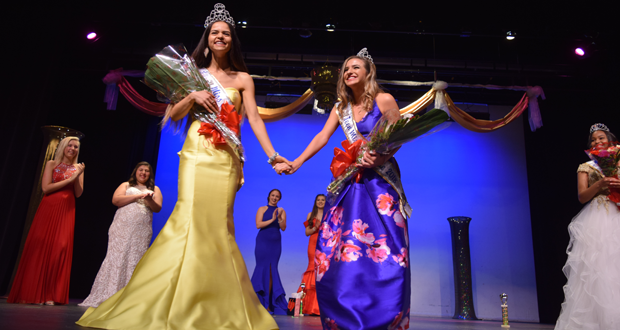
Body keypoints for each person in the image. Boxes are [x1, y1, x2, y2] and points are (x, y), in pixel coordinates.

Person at [77, 4, 286, 329]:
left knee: (219, 225)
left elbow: (254, 119)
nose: (220, 37)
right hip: (196, 154)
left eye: (226, 33)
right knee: (186, 219)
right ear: (208, 37)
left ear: (232, 40)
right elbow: (171, 115)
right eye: (215, 32)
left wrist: (273, 156)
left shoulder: (243, 78)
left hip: (225, 158)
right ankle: (168, 299)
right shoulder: (193, 74)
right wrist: (192, 97)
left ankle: (216, 305)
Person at [279, 48, 412, 329]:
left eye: (356, 67)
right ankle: (345, 316)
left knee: (389, 250)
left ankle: (387, 317)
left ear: (368, 73)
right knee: (341, 249)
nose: (349, 71)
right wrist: (297, 162)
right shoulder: (340, 108)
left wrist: (383, 156)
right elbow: (322, 136)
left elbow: (398, 134)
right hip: (350, 184)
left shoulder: (383, 99)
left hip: (380, 183)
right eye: (346, 68)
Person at [555, 123, 620, 330]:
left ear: (610, 140)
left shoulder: (618, 163)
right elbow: (582, 196)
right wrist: (600, 184)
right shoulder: (586, 166)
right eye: (593, 140)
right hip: (597, 217)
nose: (596, 142)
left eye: (600, 138)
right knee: (596, 267)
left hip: (616, 214)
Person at [8, 136, 85, 305]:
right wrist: (70, 179)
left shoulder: (78, 168)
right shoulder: (52, 164)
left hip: (67, 210)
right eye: (70, 145)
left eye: (76, 146)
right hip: (49, 207)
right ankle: (35, 294)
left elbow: (78, 193)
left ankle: (51, 294)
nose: (73, 149)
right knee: (41, 247)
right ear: (64, 147)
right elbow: (46, 188)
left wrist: (78, 175)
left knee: (60, 249)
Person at [79, 161, 162, 308]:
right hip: (121, 228)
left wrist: (148, 199)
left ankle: (128, 298)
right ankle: (108, 295)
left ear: (150, 174)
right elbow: (116, 200)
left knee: (135, 259)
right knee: (117, 257)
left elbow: (157, 208)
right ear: (135, 172)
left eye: (147, 171)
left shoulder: (154, 189)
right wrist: (138, 196)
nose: (143, 173)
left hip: (141, 231)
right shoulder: (126, 185)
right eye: (140, 170)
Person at [251, 189, 288, 315]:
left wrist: (279, 218)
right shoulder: (262, 209)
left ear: (279, 199)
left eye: (277, 196)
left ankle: (268, 304)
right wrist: (272, 219)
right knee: (262, 268)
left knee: (272, 270)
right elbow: (258, 225)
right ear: (269, 196)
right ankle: (258, 302)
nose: (274, 198)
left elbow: (283, 228)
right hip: (263, 242)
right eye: (273, 195)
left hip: (275, 243)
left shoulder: (281, 211)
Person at [294, 194, 325, 316]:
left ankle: (319, 306)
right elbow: (307, 232)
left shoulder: (329, 213)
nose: (321, 202)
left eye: (323, 200)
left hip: (324, 245)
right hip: (313, 243)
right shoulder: (310, 215)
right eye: (319, 200)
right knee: (312, 269)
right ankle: (308, 306)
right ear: (315, 202)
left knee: (322, 271)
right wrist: (315, 228)